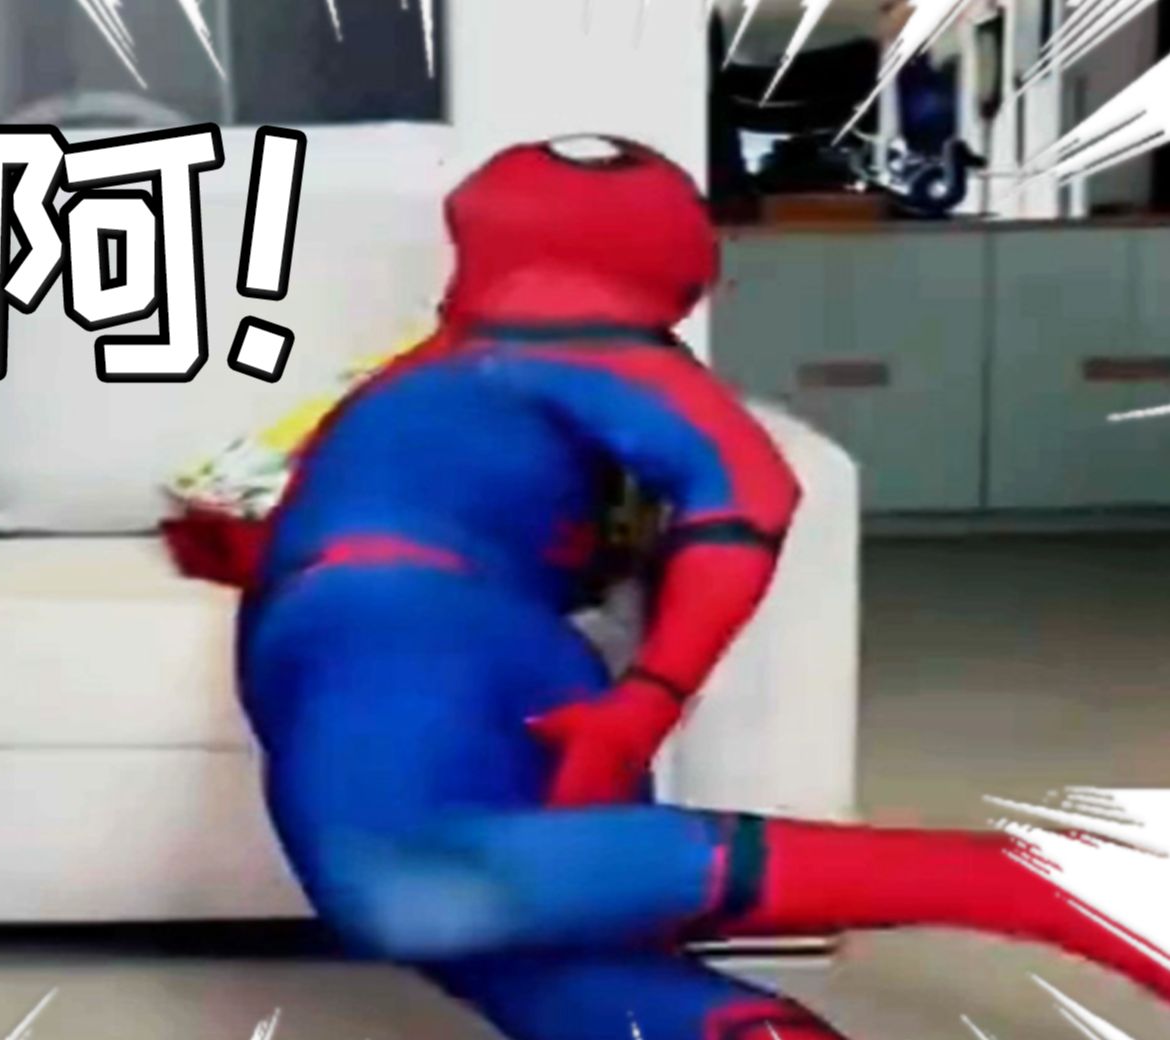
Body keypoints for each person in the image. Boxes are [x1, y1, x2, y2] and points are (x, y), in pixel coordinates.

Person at [163, 136, 1168, 1040]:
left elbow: (747, 489)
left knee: (406, 885)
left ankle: (1031, 880)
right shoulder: (456, 363)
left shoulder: (566, 346)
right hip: (457, 644)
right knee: (515, 938)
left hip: (392, 630)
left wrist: (648, 700)